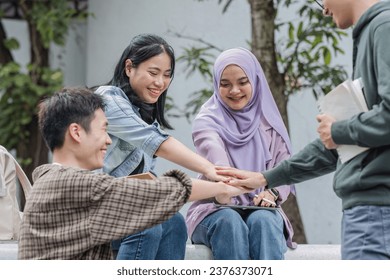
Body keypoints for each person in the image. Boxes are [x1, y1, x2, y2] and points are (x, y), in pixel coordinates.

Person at [216, 0, 390, 260]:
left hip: (376, 212)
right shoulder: (373, 30)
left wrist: (339, 130)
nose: (324, 9)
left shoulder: (383, 27)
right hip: (369, 211)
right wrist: (265, 178)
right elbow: (337, 147)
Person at [17, 87, 249, 260]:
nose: (108, 140)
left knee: (171, 220)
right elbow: (161, 192)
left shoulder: (52, 178)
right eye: (104, 130)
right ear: (76, 132)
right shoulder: (73, 184)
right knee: (144, 219)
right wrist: (227, 186)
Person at [93, 34, 229, 260]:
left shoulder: (146, 116)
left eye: (167, 75)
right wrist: (209, 170)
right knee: (147, 223)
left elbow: (148, 180)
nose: (160, 83)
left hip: (120, 211)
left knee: (174, 221)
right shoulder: (107, 100)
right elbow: (158, 142)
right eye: (153, 73)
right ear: (129, 67)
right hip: (91, 212)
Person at [185, 48, 296, 260]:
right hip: (214, 208)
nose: (234, 90)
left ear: (255, 80)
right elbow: (220, 167)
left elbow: (284, 169)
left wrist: (271, 194)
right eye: (225, 84)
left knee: (263, 221)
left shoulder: (269, 123)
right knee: (229, 222)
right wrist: (228, 186)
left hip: (261, 208)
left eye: (242, 82)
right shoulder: (206, 122)